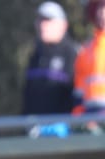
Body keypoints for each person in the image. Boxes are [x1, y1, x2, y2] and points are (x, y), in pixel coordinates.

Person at [22, 2, 79, 137]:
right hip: (35, 131)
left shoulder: (73, 54)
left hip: (64, 131)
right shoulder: (35, 55)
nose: (42, 25)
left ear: (63, 24)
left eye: (48, 20)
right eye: (40, 20)